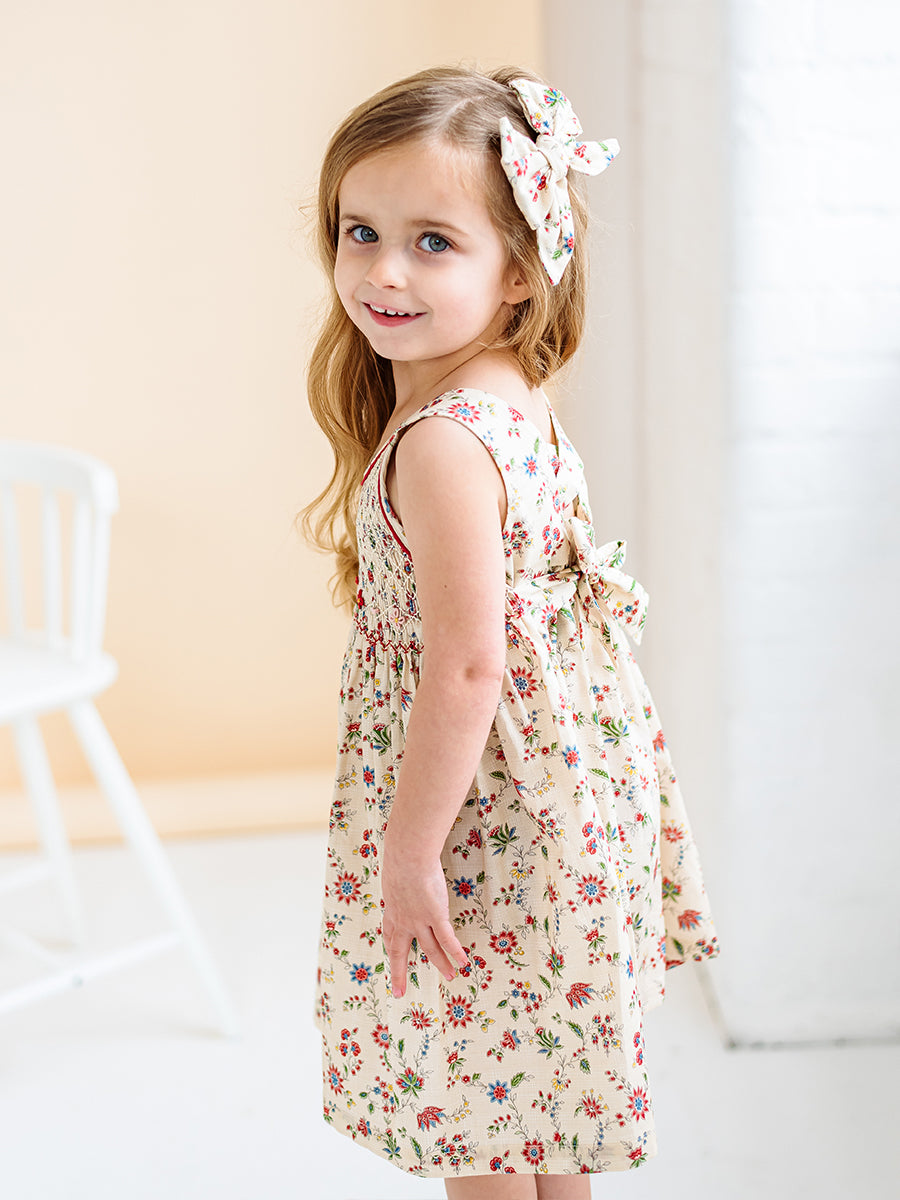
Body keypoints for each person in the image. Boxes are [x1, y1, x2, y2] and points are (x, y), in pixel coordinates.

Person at [302, 65, 719, 1199]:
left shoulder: (444, 439)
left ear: (523, 269)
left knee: (477, 1113)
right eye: (361, 231)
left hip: (477, 817)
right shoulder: (510, 390)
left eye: (433, 242)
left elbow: (467, 665)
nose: (383, 271)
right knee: (536, 1107)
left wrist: (407, 852)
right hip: (551, 790)